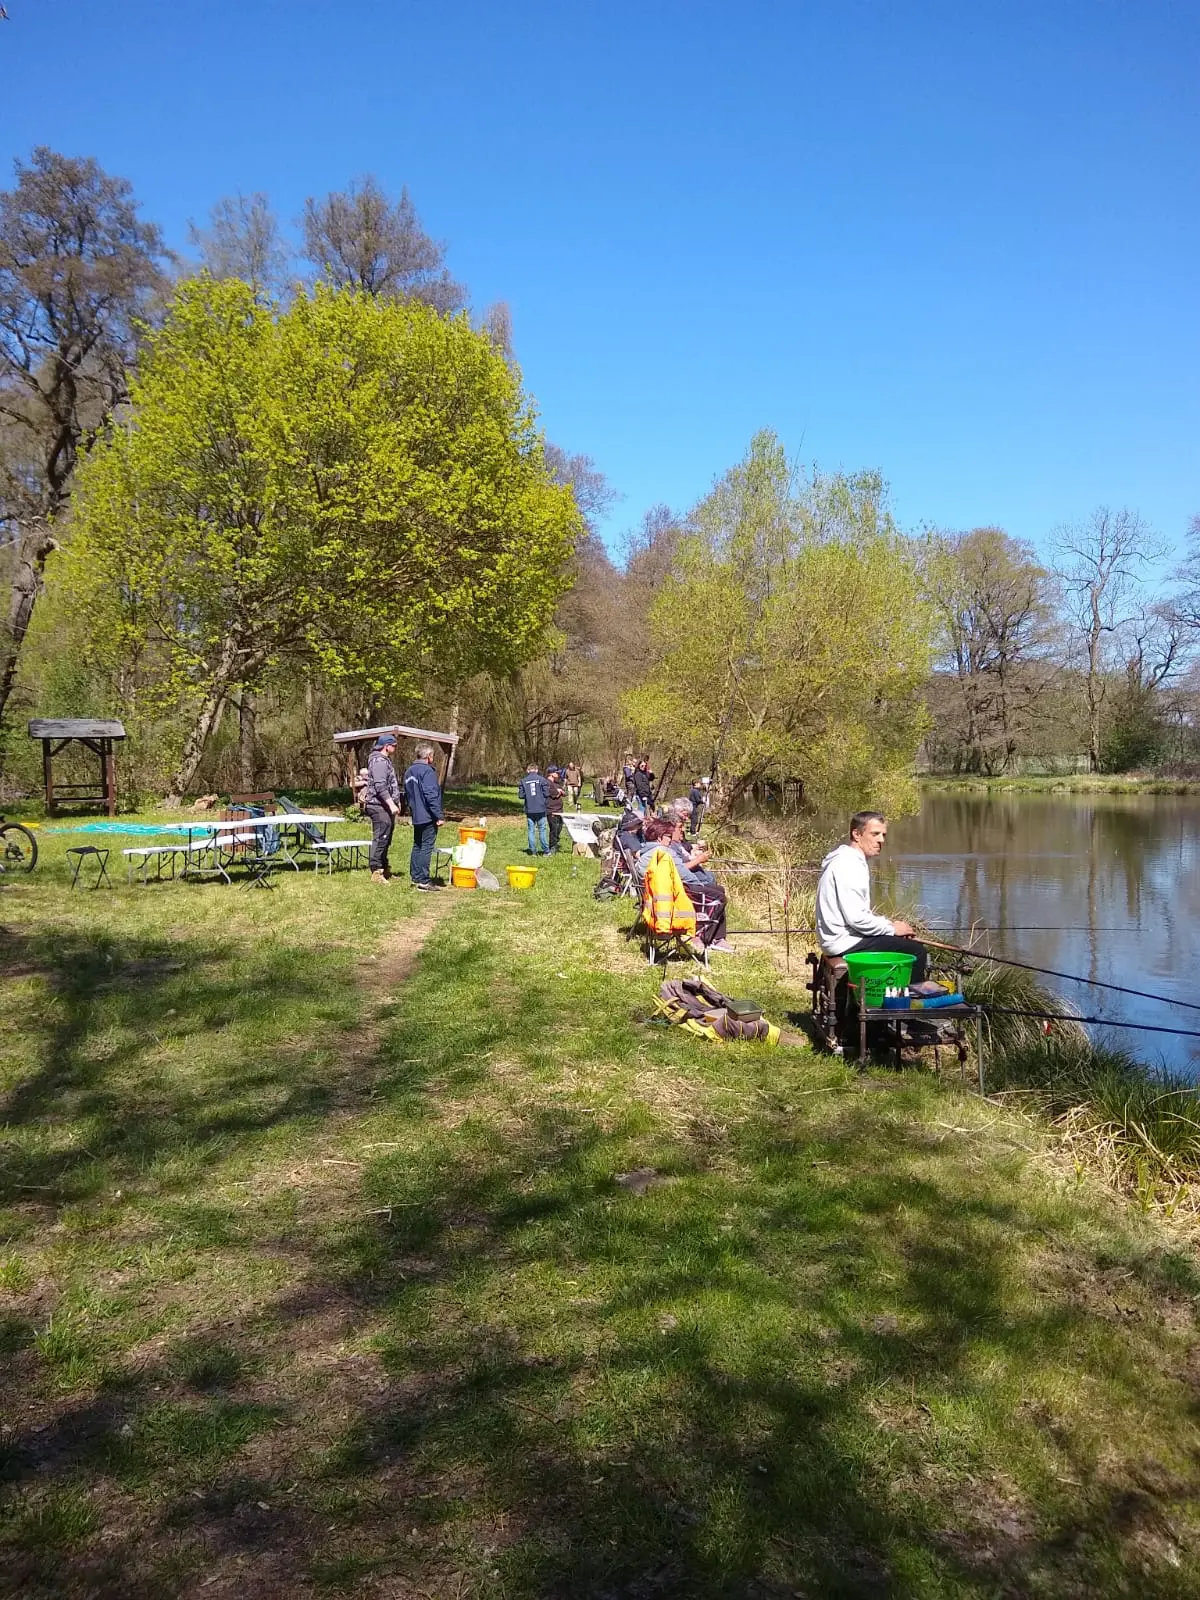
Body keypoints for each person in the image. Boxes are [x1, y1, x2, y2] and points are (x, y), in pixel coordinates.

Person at [815, 810, 927, 981]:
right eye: (875, 834)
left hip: (841, 939)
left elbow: (857, 915)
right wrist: (892, 929)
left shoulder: (846, 859)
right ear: (857, 834)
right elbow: (857, 919)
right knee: (916, 951)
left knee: (903, 942)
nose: (881, 840)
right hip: (845, 943)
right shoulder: (849, 864)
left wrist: (889, 925)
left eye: (883, 835)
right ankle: (907, 1005)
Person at [640, 815, 735, 953]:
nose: (670, 838)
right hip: (675, 897)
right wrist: (701, 884)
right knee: (720, 897)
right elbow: (685, 875)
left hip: (657, 898)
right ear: (659, 838)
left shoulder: (645, 851)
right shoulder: (663, 853)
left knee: (717, 889)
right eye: (668, 836)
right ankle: (707, 937)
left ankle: (718, 938)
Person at [403, 742, 445, 892]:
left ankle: (415, 876)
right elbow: (431, 794)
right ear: (428, 756)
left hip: (416, 813)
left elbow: (407, 794)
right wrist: (438, 815)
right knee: (426, 847)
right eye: (432, 755)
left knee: (417, 845)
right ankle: (424, 881)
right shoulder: (427, 772)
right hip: (427, 815)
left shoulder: (409, 771)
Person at [363, 732, 402, 883]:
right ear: (386, 746)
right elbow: (380, 786)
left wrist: (396, 801)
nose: (395, 748)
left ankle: (384, 869)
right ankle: (376, 872)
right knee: (381, 838)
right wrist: (391, 804)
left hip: (385, 806)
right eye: (394, 745)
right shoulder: (379, 761)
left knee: (387, 837)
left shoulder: (385, 761)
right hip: (378, 805)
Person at [518, 763, 551, 855]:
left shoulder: (523, 781)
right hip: (541, 808)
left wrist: (528, 795)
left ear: (528, 771)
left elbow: (521, 795)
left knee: (531, 830)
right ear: (536, 770)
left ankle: (533, 851)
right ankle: (546, 850)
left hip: (530, 809)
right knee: (542, 829)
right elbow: (547, 793)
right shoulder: (542, 780)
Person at [545, 766, 565, 852]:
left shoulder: (556, 783)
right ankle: (552, 846)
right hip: (551, 810)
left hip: (559, 810)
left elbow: (563, 792)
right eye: (556, 773)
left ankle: (555, 843)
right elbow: (555, 794)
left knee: (559, 827)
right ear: (551, 774)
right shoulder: (547, 783)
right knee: (554, 828)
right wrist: (559, 791)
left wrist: (560, 791)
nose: (558, 774)